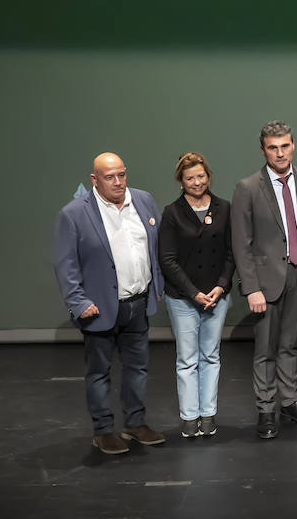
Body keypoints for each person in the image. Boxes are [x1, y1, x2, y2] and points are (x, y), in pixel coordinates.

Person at [53, 152, 166, 455]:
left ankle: (135, 423)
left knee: (137, 369)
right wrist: (78, 301)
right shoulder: (75, 213)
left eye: (122, 174)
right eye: (109, 177)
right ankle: (103, 430)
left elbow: (154, 248)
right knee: (99, 371)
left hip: (138, 303)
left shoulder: (143, 201)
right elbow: (66, 265)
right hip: (99, 307)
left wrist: (157, 285)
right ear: (95, 179)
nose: (118, 182)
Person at [230, 121, 297, 439]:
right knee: (264, 350)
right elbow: (241, 244)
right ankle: (266, 410)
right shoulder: (247, 187)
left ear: (293, 145)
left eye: (284, 145)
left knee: (290, 345)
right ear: (263, 151)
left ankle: (291, 401)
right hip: (265, 282)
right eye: (273, 147)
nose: (280, 152)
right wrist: (251, 288)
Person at [157, 152, 235, 439]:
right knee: (187, 359)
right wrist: (193, 293)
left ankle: (208, 415)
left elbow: (231, 252)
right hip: (183, 298)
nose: (196, 182)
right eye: (190, 178)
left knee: (211, 356)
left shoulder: (224, 208)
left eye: (200, 176)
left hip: (217, 295)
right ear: (181, 181)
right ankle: (190, 417)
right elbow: (167, 259)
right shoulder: (172, 213)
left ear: (209, 176)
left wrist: (221, 286)